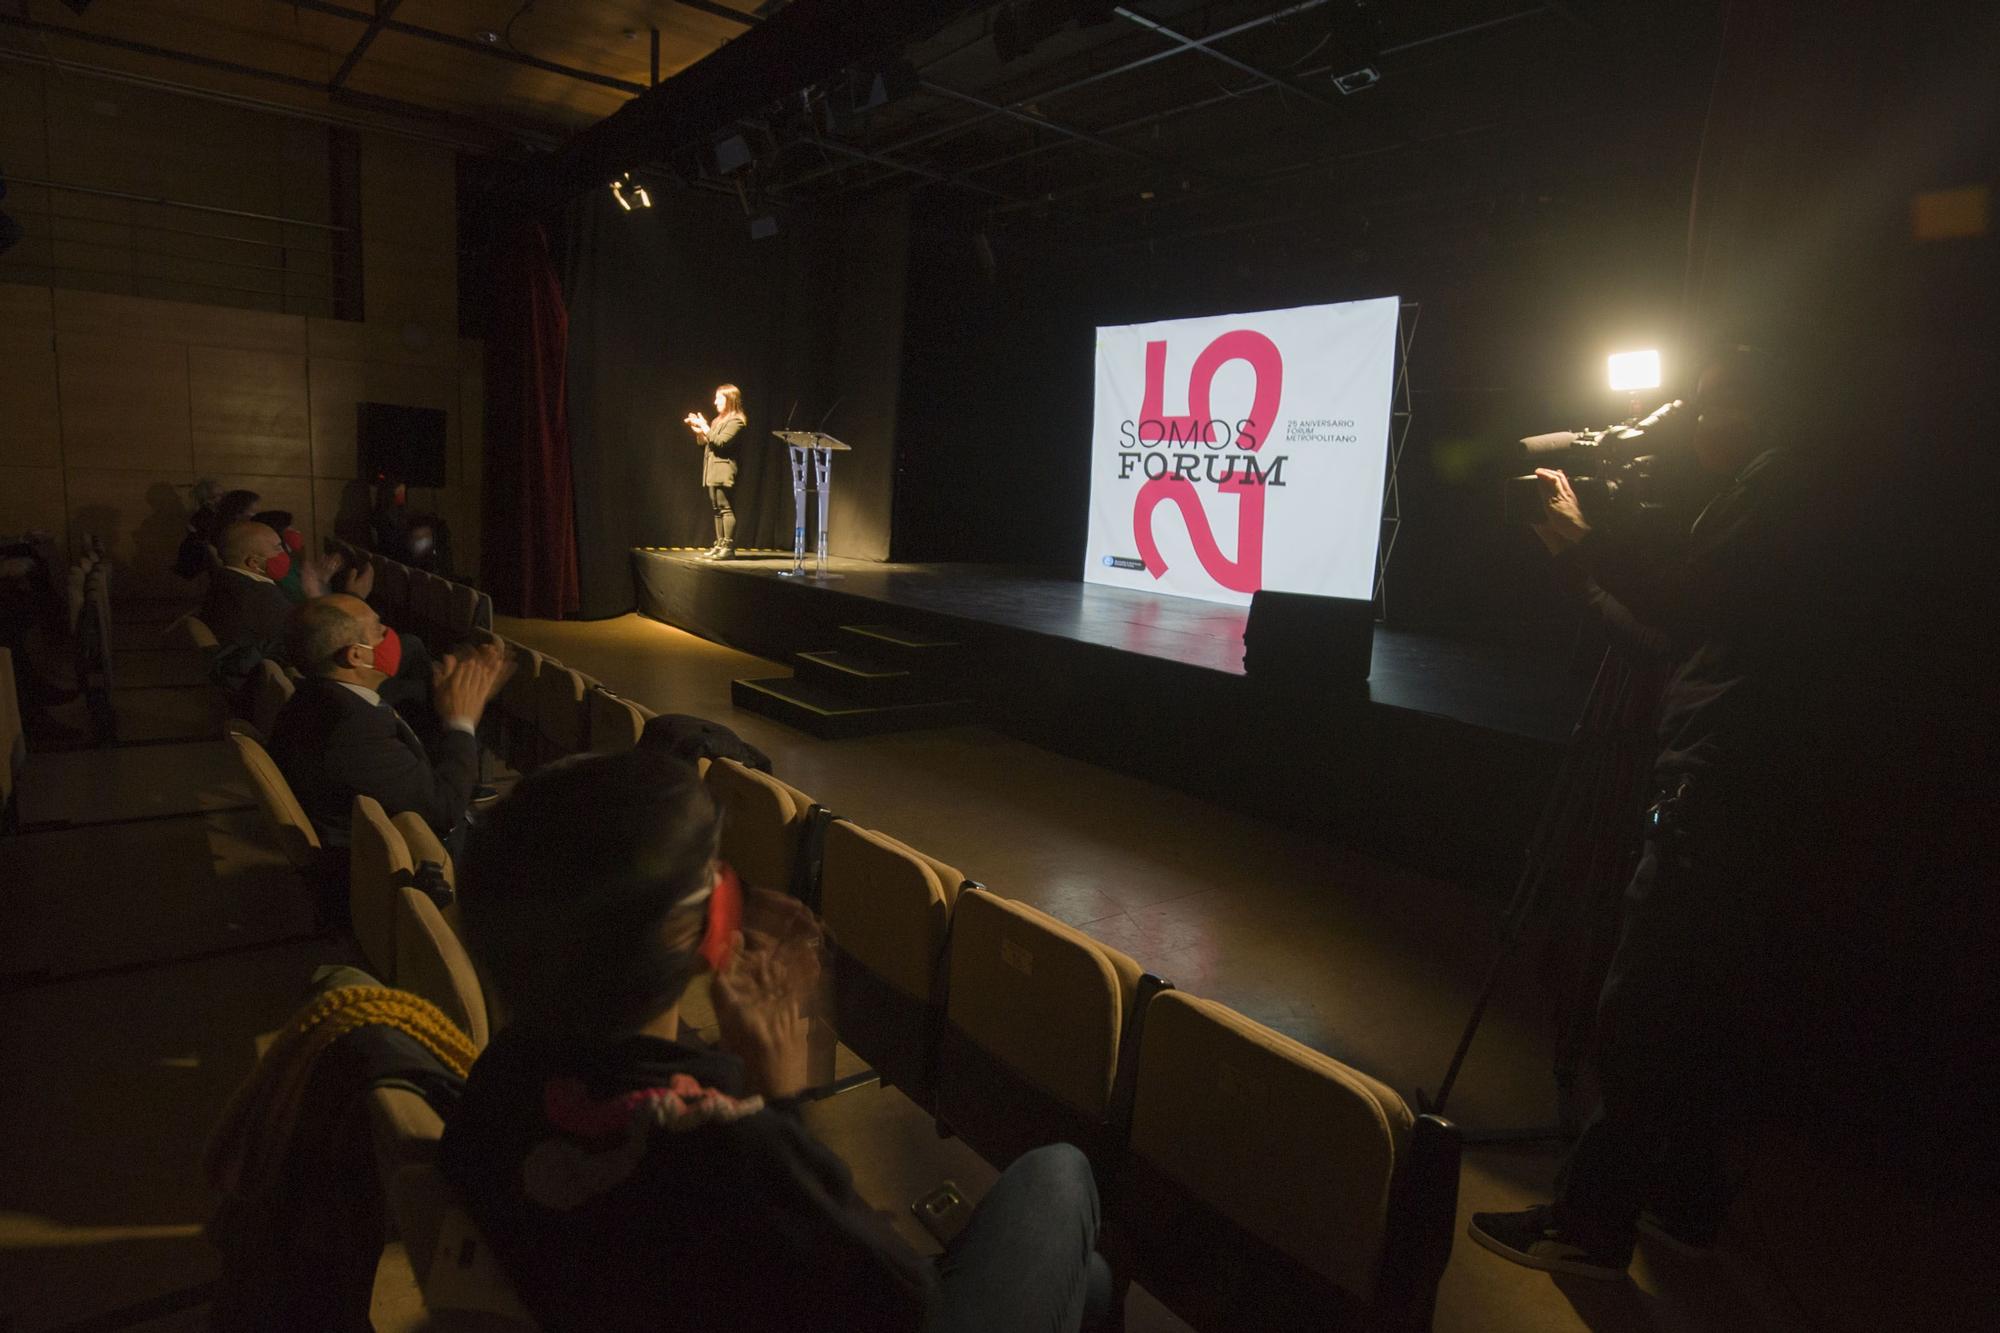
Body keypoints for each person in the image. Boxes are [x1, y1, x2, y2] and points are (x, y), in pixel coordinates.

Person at [439, 748, 1114, 1333]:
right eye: (714, 874)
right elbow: (903, 1300)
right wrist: (781, 1101)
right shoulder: (725, 1136)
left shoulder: (498, 1079)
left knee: (1088, 1280)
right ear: (697, 930)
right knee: (1060, 1175)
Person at [1468, 346, 1822, 1279]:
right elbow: (1667, 636)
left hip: (1719, 792)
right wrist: (1578, 563)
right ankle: (1685, 1201)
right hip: (1750, 793)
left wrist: (1584, 541)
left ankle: (1589, 1228)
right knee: (1702, 1017)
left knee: (1640, 1013)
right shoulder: (1788, 489)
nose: (1693, 427)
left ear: (1748, 407)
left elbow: (1672, 602)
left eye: (1707, 408)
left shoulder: (1773, 492)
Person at [267, 595, 506, 864]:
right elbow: (444, 809)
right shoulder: (353, 730)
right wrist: (461, 722)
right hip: (416, 861)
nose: (390, 635)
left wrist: (446, 702)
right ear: (356, 655)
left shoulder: (317, 696)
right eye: (379, 630)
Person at [202, 520, 305, 701]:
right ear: (254, 563)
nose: (284, 553)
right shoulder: (260, 597)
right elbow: (305, 639)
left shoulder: (225, 582)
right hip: (257, 693)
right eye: (278, 548)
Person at [683, 383, 746, 560]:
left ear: (730, 399)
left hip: (724, 468)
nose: (715, 401)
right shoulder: (718, 421)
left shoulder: (737, 421)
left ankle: (728, 546)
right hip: (712, 468)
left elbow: (721, 443)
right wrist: (699, 432)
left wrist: (704, 426)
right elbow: (706, 442)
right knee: (716, 508)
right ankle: (719, 544)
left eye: (719, 398)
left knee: (725, 508)